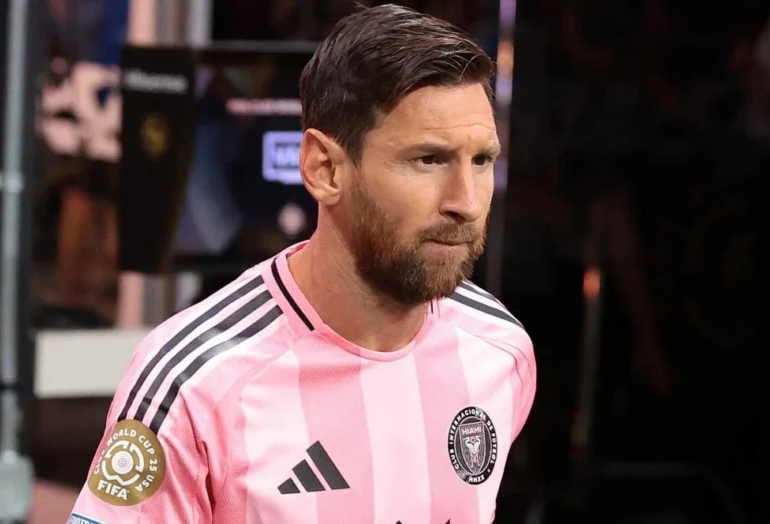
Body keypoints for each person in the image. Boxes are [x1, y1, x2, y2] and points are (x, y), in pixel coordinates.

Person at [68, 4, 535, 523]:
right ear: (323, 168)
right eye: (428, 160)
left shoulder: (501, 350)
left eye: (482, 160)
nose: (466, 202)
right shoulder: (193, 381)